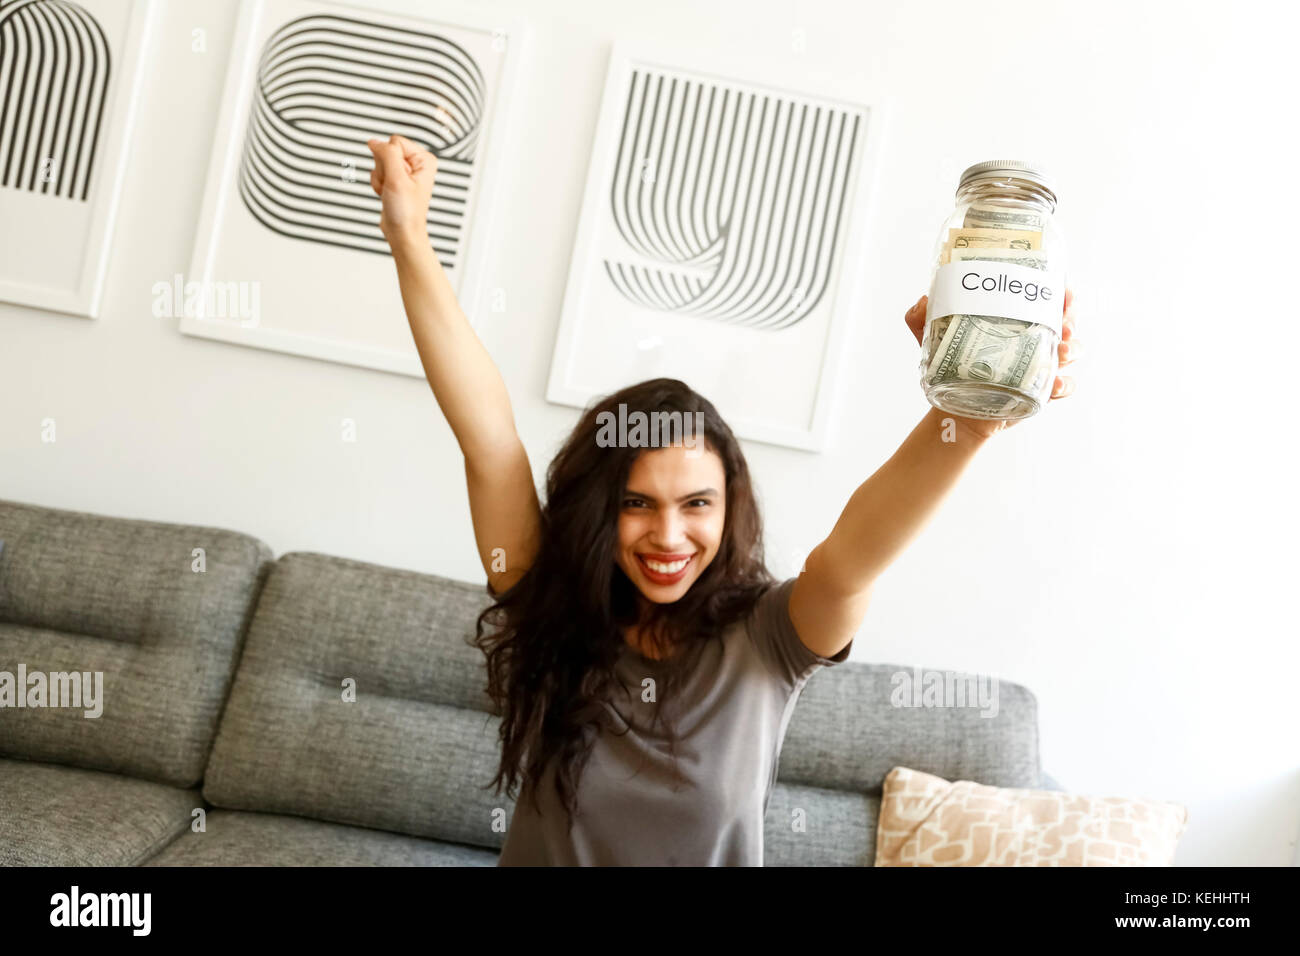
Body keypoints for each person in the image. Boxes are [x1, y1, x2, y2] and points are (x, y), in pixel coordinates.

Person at [365, 134, 1082, 866]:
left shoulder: (771, 640)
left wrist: (969, 418)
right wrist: (408, 234)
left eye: (696, 504)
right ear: (600, 512)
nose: (668, 535)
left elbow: (850, 564)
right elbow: (490, 442)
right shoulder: (549, 605)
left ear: (730, 507)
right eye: (637, 504)